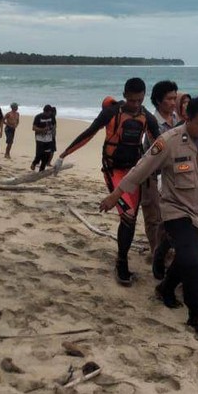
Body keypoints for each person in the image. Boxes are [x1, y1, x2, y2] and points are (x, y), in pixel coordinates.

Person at [100, 96, 198, 337]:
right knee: (196, 266)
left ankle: (165, 289)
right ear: (187, 118)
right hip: (176, 212)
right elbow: (141, 168)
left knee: (190, 257)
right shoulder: (168, 142)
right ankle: (196, 316)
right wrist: (116, 194)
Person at [54, 78, 160, 285]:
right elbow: (89, 133)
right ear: (124, 95)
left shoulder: (147, 117)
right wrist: (63, 155)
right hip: (113, 172)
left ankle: (121, 257)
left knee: (130, 218)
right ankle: (122, 262)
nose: (136, 105)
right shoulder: (112, 113)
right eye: (132, 100)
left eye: (139, 100)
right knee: (128, 216)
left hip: (134, 173)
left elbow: (160, 145)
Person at [144, 80, 179, 279]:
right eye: (169, 99)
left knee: (169, 218)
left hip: (172, 176)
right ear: (158, 101)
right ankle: (156, 253)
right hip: (153, 175)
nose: (173, 102)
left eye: (175, 98)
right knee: (154, 217)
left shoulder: (176, 118)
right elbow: (156, 154)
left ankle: (164, 251)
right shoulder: (153, 123)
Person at [31, 105, 55, 172]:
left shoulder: (52, 117)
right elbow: (33, 128)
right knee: (39, 153)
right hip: (40, 138)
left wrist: (52, 131)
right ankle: (34, 163)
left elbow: (54, 125)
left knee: (46, 155)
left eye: (49, 113)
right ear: (44, 111)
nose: (48, 114)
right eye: (47, 113)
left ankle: (41, 170)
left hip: (49, 139)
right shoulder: (38, 117)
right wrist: (42, 129)